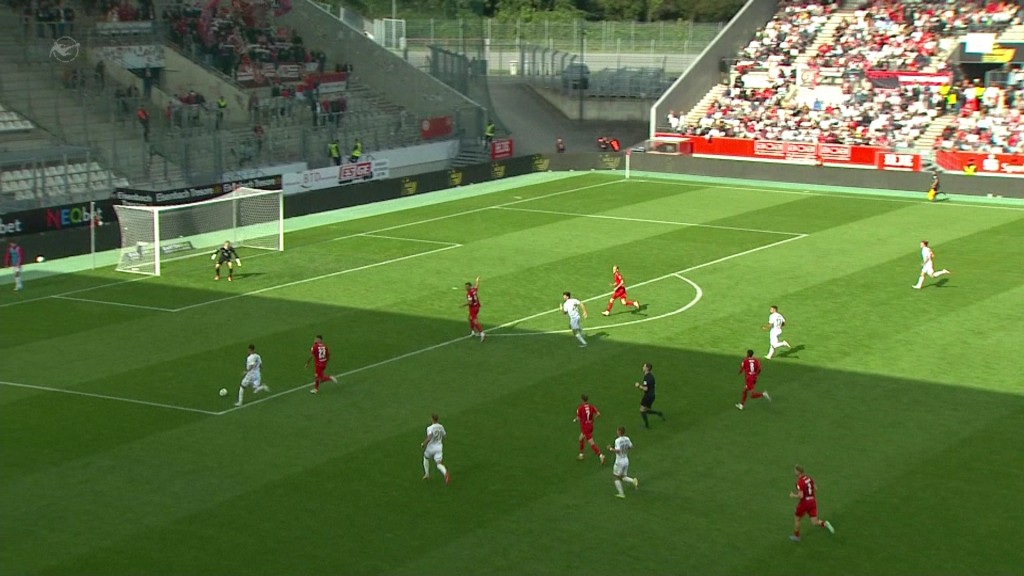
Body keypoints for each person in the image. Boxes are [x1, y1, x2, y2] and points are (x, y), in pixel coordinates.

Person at [789, 465, 835, 541]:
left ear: (798, 472)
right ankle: (825, 523)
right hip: (812, 501)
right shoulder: (809, 478)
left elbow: (801, 496)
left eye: (795, 471)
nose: (794, 472)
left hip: (805, 503)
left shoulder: (799, 482)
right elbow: (815, 488)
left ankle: (797, 537)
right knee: (815, 522)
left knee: (797, 519)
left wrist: (793, 495)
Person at [607, 426, 638, 498]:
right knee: (623, 477)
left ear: (619, 432)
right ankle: (633, 481)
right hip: (626, 460)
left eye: (617, 431)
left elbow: (618, 450)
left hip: (619, 461)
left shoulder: (617, 440)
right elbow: (631, 447)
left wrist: (610, 449)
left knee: (616, 477)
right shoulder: (627, 438)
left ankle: (621, 494)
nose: (616, 432)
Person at [574, 394, 605, 463]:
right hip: (590, 425)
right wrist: (593, 419)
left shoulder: (580, 408)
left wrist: (575, 419)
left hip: (585, 427)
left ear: (582, 400)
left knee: (591, 442)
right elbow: (598, 414)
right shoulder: (591, 406)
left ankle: (600, 455)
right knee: (581, 438)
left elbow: (578, 418)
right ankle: (581, 454)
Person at [421, 413, 450, 485]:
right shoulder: (441, 426)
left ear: (432, 419)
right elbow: (444, 436)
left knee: (426, 457)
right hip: (439, 447)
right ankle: (445, 473)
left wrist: (423, 443)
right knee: (439, 464)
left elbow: (430, 437)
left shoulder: (430, 428)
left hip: (431, 447)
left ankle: (427, 474)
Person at [635, 362, 665, 427]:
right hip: (652, 395)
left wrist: (638, 386)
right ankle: (658, 413)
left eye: (644, 366)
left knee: (642, 410)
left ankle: (646, 425)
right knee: (645, 410)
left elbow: (645, 389)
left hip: (648, 396)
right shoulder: (651, 376)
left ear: (647, 368)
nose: (643, 367)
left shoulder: (646, 377)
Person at [464, 276, 485, 342]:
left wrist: (464, 305)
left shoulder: (469, 294)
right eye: (465, 286)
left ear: (470, 287)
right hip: (477, 307)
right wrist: (477, 280)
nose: (466, 288)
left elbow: (470, 302)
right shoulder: (473, 290)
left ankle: (482, 333)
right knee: (470, 319)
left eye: (467, 287)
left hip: (473, 308)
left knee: (474, 321)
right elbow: (476, 286)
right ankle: (473, 332)